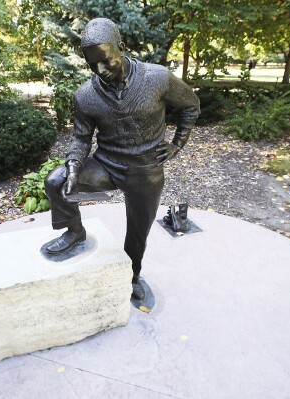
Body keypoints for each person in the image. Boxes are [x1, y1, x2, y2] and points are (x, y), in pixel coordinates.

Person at [44, 18, 200, 301]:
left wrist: (177, 144)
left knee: (138, 232)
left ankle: (132, 275)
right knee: (57, 181)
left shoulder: (158, 78)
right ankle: (75, 231)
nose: (101, 71)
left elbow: (191, 106)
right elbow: (81, 139)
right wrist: (74, 167)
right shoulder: (85, 96)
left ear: (122, 48)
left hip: (147, 171)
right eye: (93, 65)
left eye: (107, 61)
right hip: (107, 165)